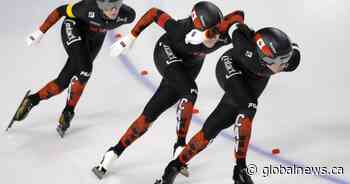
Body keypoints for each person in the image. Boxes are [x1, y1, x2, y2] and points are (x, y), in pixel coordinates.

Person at [92, 1, 246, 179]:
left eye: (216, 33)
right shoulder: (180, 30)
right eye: (208, 35)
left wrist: (214, 33)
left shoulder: (220, 34)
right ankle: (180, 144)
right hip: (166, 52)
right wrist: (130, 37)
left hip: (189, 66)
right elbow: (154, 13)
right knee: (191, 91)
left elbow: (239, 15)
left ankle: (113, 152)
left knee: (150, 114)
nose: (213, 40)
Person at [156, 26, 301, 184]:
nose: (286, 65)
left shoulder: (289, 60)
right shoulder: (245, 51)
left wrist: (254, 33)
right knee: (250, 104)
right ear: (266, 59)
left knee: (212, 128)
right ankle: (240, 169)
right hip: (229, 66)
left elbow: (289, 50)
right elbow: (236, 27)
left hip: (252, 81)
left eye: (287, 58)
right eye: (282, 61)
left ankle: (174, 166)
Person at [13, 0, 135, 137]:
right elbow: (60, 10)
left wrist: (130, 39)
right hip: (74, 27)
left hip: (95, 38)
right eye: (108, 7)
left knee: (62, 82)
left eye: (117, 6)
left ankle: (32, 100)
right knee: (86, 70)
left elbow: (135, 27)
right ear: (100, 7)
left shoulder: (127, 14)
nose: (114, 11)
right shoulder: (86, 8)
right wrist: (40, 32)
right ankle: (69, 111)